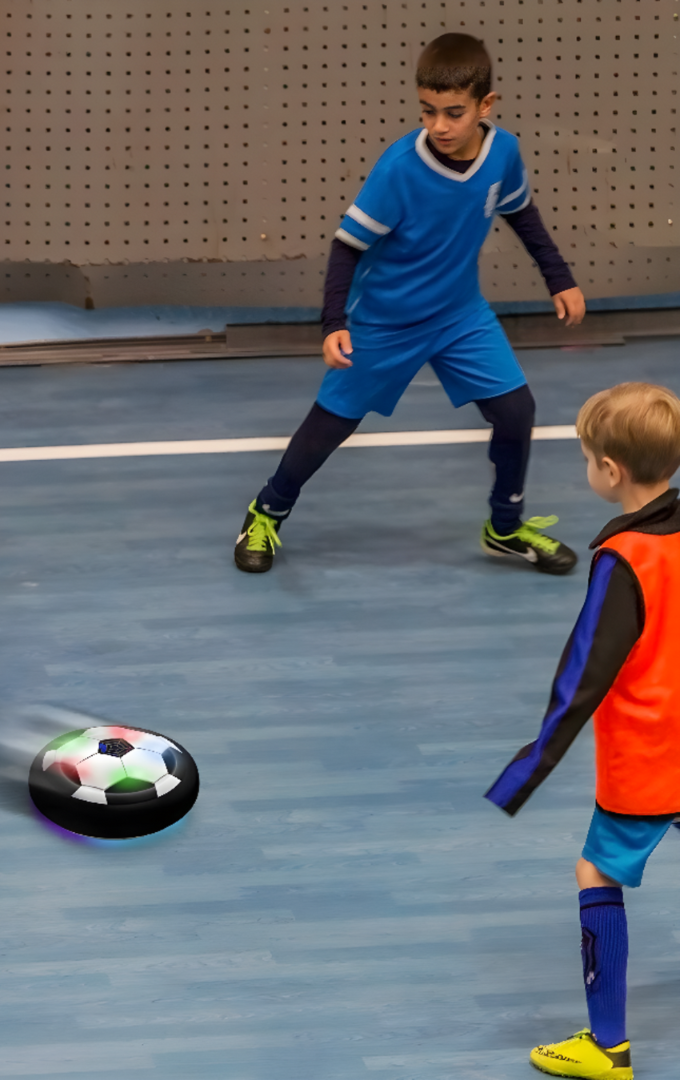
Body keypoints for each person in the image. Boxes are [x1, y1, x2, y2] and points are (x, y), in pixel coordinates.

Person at [233, 33, 586, 576]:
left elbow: (522, 215)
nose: (439, 126)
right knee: (330, 424)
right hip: (385, 322)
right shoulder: (399, 167)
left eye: (453, 113)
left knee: (517, 412)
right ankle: (267, 510)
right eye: (427, 112)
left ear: (485, 106)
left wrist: (559, 278)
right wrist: (334, 322)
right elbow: (347, 245)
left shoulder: (504, 154)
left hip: (460, 316)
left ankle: (505, 527)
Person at [486, 382, 680, 1080]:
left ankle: (608, 1048)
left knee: (595, 871)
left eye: (589, 458)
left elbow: (582, 678)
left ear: (612, 471)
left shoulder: (624, 558)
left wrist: (525, 771)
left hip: (650, 760)